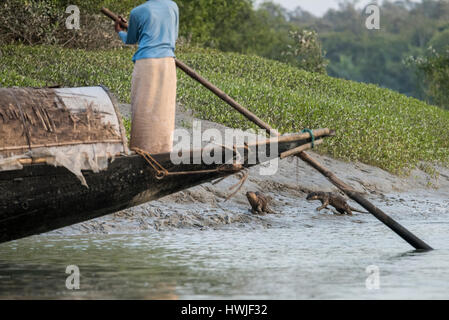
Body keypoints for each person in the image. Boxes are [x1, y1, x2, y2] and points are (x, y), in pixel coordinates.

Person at [115, 0, 179, 154]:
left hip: (147, 64)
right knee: (165, 108)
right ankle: (163, 151)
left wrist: (119, 30)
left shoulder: (137, 12)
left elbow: (130, 40)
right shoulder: (172, 6)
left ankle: (141, 150)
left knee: (143, 107)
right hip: (168, 63)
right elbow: (173, 36)